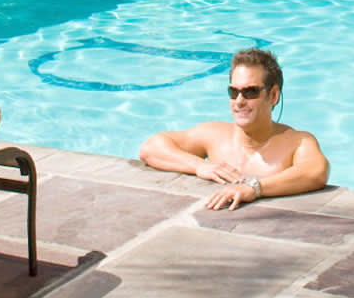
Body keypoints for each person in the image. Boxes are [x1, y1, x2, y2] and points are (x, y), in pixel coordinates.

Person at [138, 48, 329, 210]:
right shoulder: (214, 135)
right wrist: (200, 166)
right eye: (233, 92)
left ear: (273, 95)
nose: (239, 101)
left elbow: (315, 172)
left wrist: (255, 188)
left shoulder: (297, 142)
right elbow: (151, 148)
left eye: (250, 92)